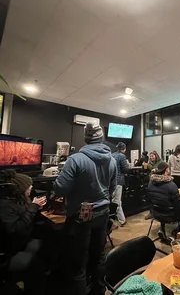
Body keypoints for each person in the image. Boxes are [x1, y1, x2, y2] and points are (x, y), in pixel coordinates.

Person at [54, 122, 117, 295]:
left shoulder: (75, 159)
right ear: (101, 138)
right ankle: (99, 290)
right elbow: (112, 188)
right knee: (98, 255)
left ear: (86, 138)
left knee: (78, 261)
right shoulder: (111, 160)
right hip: (103, 213)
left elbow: (60, 188)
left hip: (81, 217)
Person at [0, 171, 47, 295]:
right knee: (37, 265)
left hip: (19, 243)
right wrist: (33, 208)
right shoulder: (5, 205)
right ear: (21, 190)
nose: (31, 190)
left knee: (47, 245)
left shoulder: (20, 200)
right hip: (8, 252)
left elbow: (26, 218)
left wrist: (35, 207)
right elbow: (15, 230)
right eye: (29, 188)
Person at [147, 161, 180, 240]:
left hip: (156, 214)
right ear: (166, 170)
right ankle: (175, 233)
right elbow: (177, 204)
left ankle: (162, 229)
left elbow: (150, 200)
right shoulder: (171, 185)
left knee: (163, 206)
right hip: (170, 216)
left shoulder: (150, 184)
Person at [112, 142, 129, 227]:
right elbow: (125, 169)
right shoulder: (122, 156)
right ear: (124, 149)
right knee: (117, 201)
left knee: (114, 200)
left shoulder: (112, 154)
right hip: (118, 181)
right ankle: (122, 220)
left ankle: (114, 218)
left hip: (111, 180)